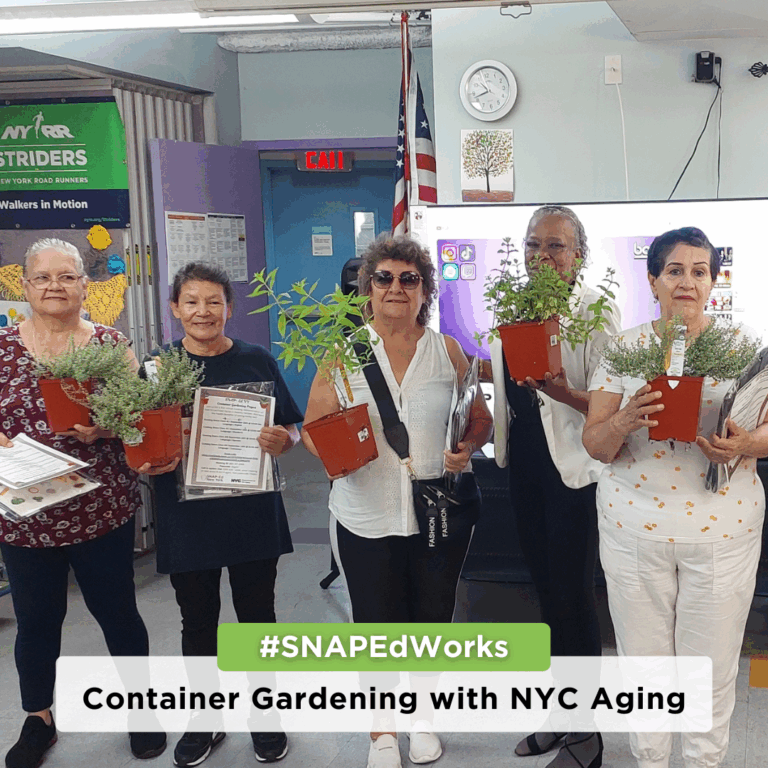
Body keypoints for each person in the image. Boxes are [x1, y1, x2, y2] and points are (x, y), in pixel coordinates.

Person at [302, 236, 494, 768]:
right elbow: (313, 430)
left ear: (425, 290)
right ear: (367, 289)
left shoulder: (448, 350)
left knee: (432, 617)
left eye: (409, 279)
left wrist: (465, 448)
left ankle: (424, 719)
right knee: (376, 622)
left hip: (437, 512)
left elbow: (480, 420)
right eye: (384, 278)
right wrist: (338, 456)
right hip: (364, 514)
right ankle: (382, 730)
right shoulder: (344, 353)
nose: (396, 288)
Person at [583, 227, 768, 768]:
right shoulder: (625, 349)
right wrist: (623, 419)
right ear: (653, 280)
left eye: (699, 271)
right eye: (675, 270)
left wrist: (743, 444)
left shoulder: (746, 350)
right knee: (643, 671)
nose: (687, 281)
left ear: (713, 282)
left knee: (710, 672)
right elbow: (595, 442)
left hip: (721, 535)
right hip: (633, 531)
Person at [0, 239, 166, 768]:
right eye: (43, 277)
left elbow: (142, 416)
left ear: (84, 286)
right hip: (26, 514)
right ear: (24, 286)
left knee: (118, 612)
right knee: (36, 620)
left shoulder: (113, 343)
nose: (55, 286)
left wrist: (109, 426)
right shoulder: (3, 348)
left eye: (67, 277)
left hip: (101, 509)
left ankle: (141, 709)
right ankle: (38, 718)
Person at [485, 206, 621, 768]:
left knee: (573, 596)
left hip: (574, 473)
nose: (543, 257)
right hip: (525, 470)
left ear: (578, 255)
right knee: (545, 592)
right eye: (534, 246)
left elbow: (611, 406)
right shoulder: (512, 307)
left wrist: (562, 391)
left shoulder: (597, 311)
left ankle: (586, 728)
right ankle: (560, 712)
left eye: (556, 247)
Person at [152, 262, 303, 766]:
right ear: (175, 309)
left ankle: (266, 716)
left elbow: (293, 427)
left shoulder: (256, 359)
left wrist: (284, 440)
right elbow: (139, 434)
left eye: (213, 301)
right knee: (197, 622)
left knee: (258, 617)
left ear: (229, 309)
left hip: (251, 512)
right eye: (191, 301)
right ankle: (205, 719)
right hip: (187, 516)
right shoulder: (157, 367)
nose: (203, 311)